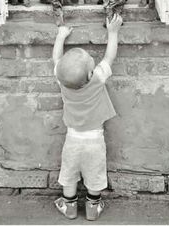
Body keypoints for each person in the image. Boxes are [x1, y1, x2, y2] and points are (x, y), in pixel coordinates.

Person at [52, 13, 123, 221]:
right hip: (95, 141)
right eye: (92, 64)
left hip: (73, 139)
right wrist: (113, 32)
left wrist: (60, 36)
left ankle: (69, 206)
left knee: (70, 174)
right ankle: (93, 208)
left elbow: (56, 59)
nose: (95, 63)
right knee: (94, 174)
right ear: (91, 74)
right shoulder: (97, 80)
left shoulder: (63, 83)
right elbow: (110, 57)